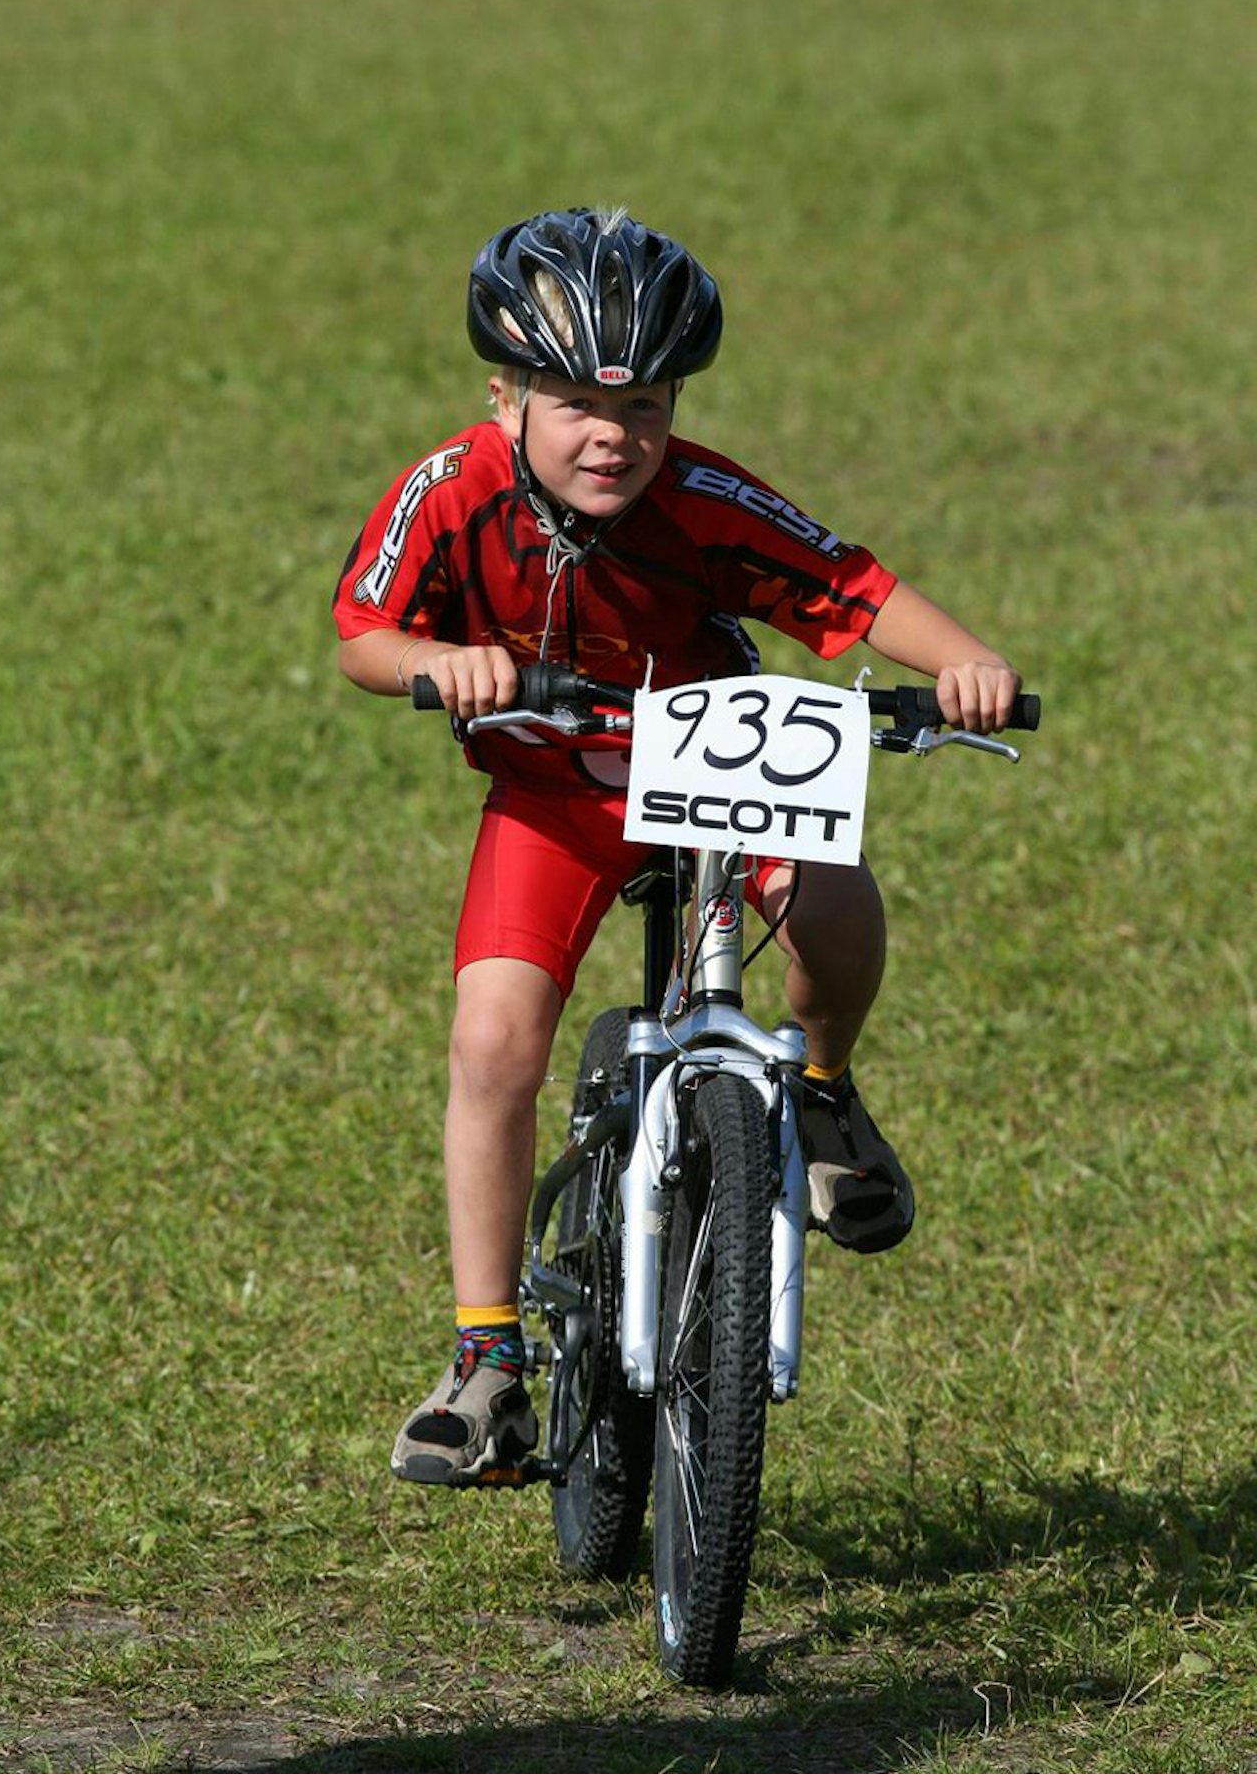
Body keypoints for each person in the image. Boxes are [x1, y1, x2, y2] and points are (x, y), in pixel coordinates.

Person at [332, 207, 1022, 1486]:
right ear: (505, 397)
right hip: (551, 792)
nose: (615, 438)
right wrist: (440, 661)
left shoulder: (705, 498)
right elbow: (365, 633)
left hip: (718, 773)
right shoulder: (448, 492)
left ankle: (817, 1095)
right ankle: (487, 1358)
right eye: (577, 406)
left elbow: (853, 592)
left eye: (645, 406)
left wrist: (965, 662)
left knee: (834, 909)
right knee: (493, 1042)